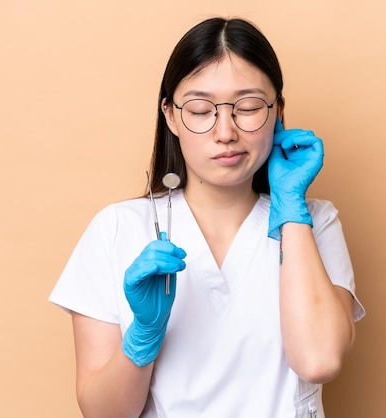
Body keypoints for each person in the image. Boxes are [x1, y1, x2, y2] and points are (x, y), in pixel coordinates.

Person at [49, 16, 365, 418]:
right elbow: (104, 414)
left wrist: (291, 209)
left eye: (248, 107)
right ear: (170, 115)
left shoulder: (315, 222)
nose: (225, 131)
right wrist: (141, 340)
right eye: (200, 110)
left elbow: (319, 361)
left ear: (278, 111)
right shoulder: (116, 229)